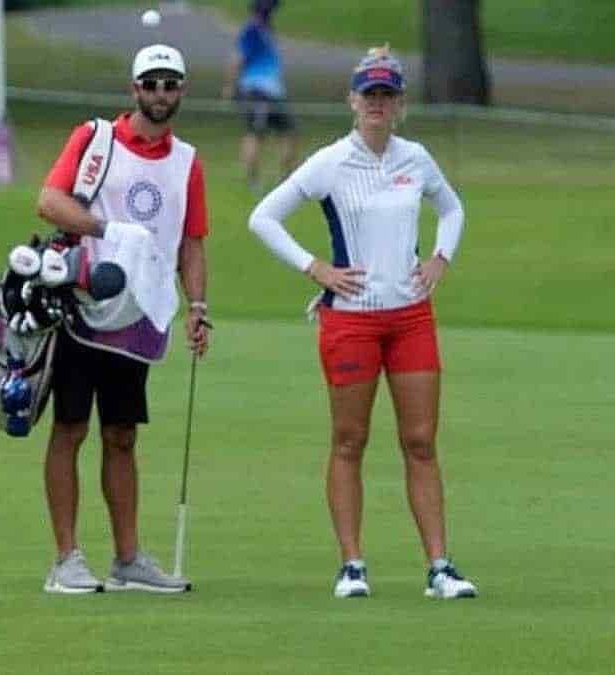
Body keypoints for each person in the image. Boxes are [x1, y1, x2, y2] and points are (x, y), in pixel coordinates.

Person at [247, 46, 479, 600]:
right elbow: (264, 218)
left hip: (411, 317)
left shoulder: (415, 158)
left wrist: (441, 257)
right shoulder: (330, 162)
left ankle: (440, 567)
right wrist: (316, 269)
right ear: (352, 101)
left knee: (420, 441)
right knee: (350, 440)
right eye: (369, 94)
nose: (377, 104)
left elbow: (452, 208)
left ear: (400, 104)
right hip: (351, 321)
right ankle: (352, 565)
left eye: (387, 95)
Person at [35, 43, 210, 594]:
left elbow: (192, 243)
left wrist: (198, 307)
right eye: (151, 84)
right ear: (135, 89)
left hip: (140, 316)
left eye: (170, 84)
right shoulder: (96, 139)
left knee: (122, 434)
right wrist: (110, 233)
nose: (161, 94)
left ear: (181, 91)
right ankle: (66, 559)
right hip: (82, 304)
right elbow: (49, 201)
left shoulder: (187, 161)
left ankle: (128, 558)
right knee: (70, 427)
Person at [222, 0, 298, 192]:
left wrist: (230, 87)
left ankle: (281, 180)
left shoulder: (264, 30)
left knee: (282, 133)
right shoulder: (254, 31)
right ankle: (254, 181)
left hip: (270, 91)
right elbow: (237, 59)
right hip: (258, 91)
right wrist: (230, 86)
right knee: (257, 134)